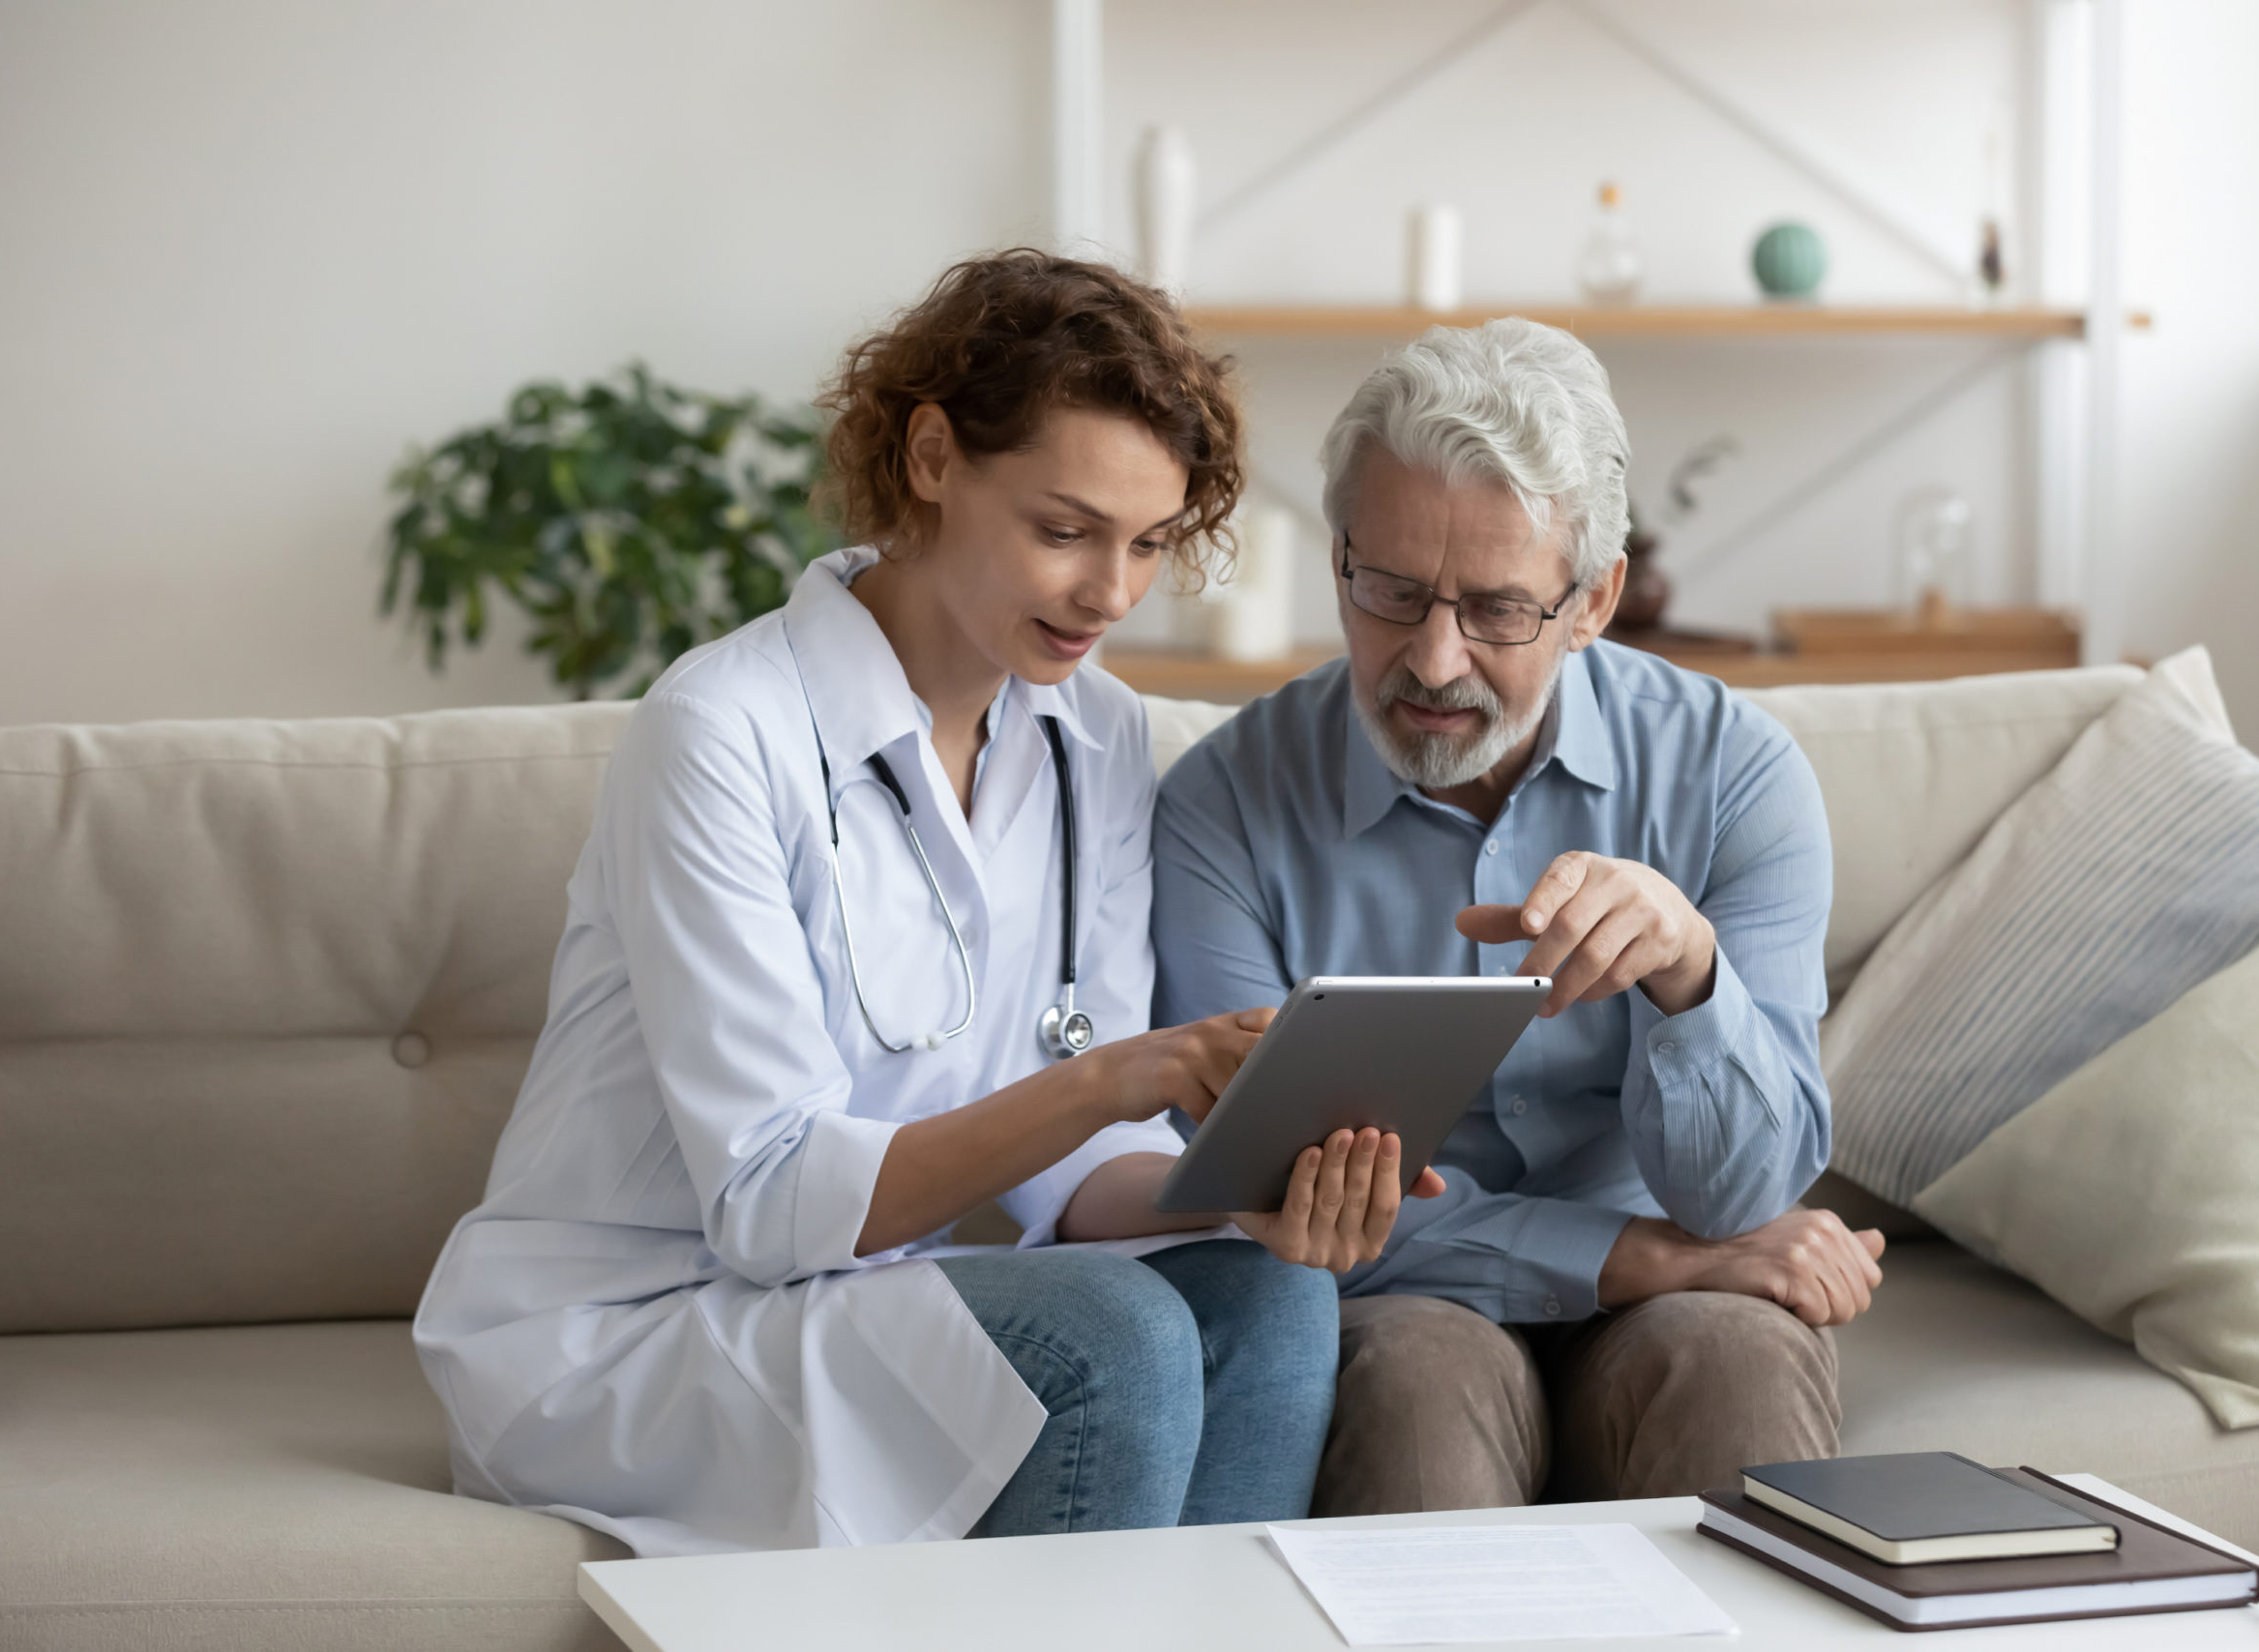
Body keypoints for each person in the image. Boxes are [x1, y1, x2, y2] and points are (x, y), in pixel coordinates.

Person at [415, 251, 1434, 1557]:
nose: (1109, 596)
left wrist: (1245, 1191)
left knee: (1272, 1302)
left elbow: (1067, 1180)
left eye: (1147, 545)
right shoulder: (721, 732)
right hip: (638, 1323)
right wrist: (1128, 1074)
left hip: (865, 1300)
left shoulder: (1099, 737)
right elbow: (776, 1206)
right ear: (934, 455)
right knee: (1106, 1338)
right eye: (1064, 530)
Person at [1152, 318, 1887, 1517]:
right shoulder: (1221, 806)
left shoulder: (1734, 772)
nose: (1432, 660)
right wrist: (1631, 1255)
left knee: (1737, 1356)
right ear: (1338, 555)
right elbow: (1255, 1201)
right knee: (1412, 1389)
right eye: (1390, 590)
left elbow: (1743, 1196)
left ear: (1593, 598)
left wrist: (1690, 974)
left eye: (1497, 610)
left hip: (1681, 1298)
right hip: (1401, 1305)